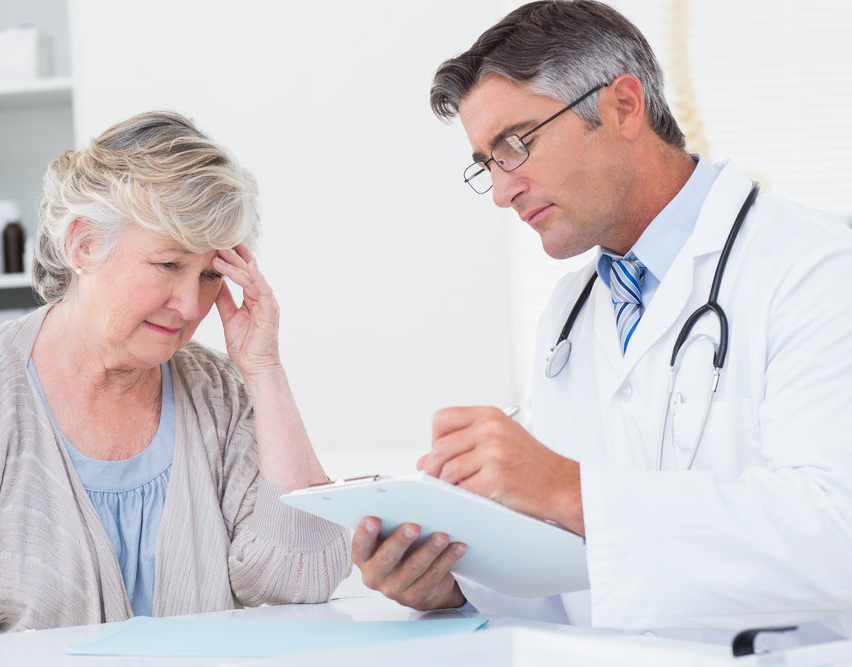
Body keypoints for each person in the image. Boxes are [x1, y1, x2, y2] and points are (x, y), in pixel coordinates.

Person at [352, 0, 852, 641]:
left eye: (516, 144)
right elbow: (580, 563)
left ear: (622, 106)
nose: (503, 191)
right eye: (487, 163)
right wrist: (452, 575)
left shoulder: (813, 269)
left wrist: (568, 488)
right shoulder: (571, 311)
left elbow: (837, 535)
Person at [0, 110, 350, 645]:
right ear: (83, 245)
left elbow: (299, 577)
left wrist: (265, 371)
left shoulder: (215, 391)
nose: (190, 304)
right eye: (169, 265)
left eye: (212, 274)